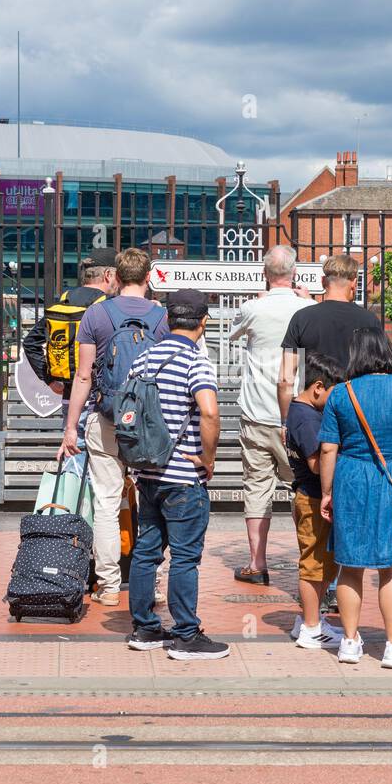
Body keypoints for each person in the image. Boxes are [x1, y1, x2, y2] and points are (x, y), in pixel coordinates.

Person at [319, 328, 392, 669]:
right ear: (387, 352)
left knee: (350, 564)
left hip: (351, 478)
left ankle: (349, 642)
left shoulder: (341, 395)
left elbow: (329, 447)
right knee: (391, 565)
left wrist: (327, 493)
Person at [60, 248, 169, 607]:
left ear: (116, 278)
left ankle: (108, 585)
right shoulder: (161, 317)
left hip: (106, 417)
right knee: (153, 501)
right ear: (148, 278)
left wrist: (71, 427)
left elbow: (83, 375)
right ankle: (152, 581)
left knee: (107, 502)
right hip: (148, 423)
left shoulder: (97, 313)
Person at [122, 288, 227, 660]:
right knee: (185, 556)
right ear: (203, 322)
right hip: (183, 475)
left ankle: (145, 629)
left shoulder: (144, 359)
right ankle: (186, 635)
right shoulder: (197, 361)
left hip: (146, 471)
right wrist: (207, 457)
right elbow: (210, 412)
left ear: (168, 319)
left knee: (146, 551)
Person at [228, 245, 312, 586]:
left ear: (265, 273)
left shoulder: (253, 308)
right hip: (299, 414)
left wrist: (259, 301)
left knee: (257, 488)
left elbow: (233, 333)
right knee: (307, 488)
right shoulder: (308, 308)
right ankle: (311, 558)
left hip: (257, 412)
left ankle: (257, 562)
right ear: (295, 274)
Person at [285, 352, 348, 649]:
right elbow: (316, 463)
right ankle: (311, 626)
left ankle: (314, 620)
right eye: (334, 394)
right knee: (313, 565)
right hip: (311, 498)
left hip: (312, 497)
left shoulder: (305, 413)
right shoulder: (306, 418)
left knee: (324, 565)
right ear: (318, 387)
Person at [278, 254, 381, 424]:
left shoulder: (302, 318)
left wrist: (286, 421)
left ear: (323, 281)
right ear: (354, 283)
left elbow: (285, 378)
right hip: (356, 412)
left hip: (314, 412)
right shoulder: (370, 321)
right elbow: (378, 373)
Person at [22, 247, 118, 405]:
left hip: (70, 396)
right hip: (100, 398)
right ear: (108, 275)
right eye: (118, 276)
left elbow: (30, 342)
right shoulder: (108, 305)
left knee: (71, 430)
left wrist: (49, 380)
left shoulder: (65, 300)